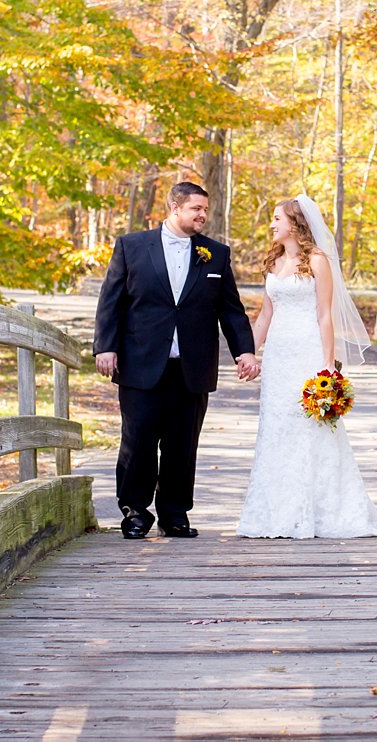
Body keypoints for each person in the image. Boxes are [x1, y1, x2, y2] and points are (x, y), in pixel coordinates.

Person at [236, 195, 377, 538]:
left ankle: (319, 511)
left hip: (307, 352)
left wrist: (328, 366)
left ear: (295, 223)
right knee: (275, 430)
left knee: (310, 429)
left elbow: (324, 314)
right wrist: (249, 353)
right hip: (278, 356)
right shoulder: (273, 263)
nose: (272, 225)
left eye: (277, 219)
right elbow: (265, 316)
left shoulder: (317, 260)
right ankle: (276, 514)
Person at [93, 181, 259, 539]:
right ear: (174, 207)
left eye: (205, 209)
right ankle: (135, 512)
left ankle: (175, 514)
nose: (202, 215)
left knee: (182, 445)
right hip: (141, 364)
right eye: (195, 209)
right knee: (137, 443)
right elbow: (111, 301)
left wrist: (244, 350)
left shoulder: (215, 254)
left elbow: (230, 309)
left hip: (192, 367)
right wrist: (105, 347)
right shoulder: (131, 246)